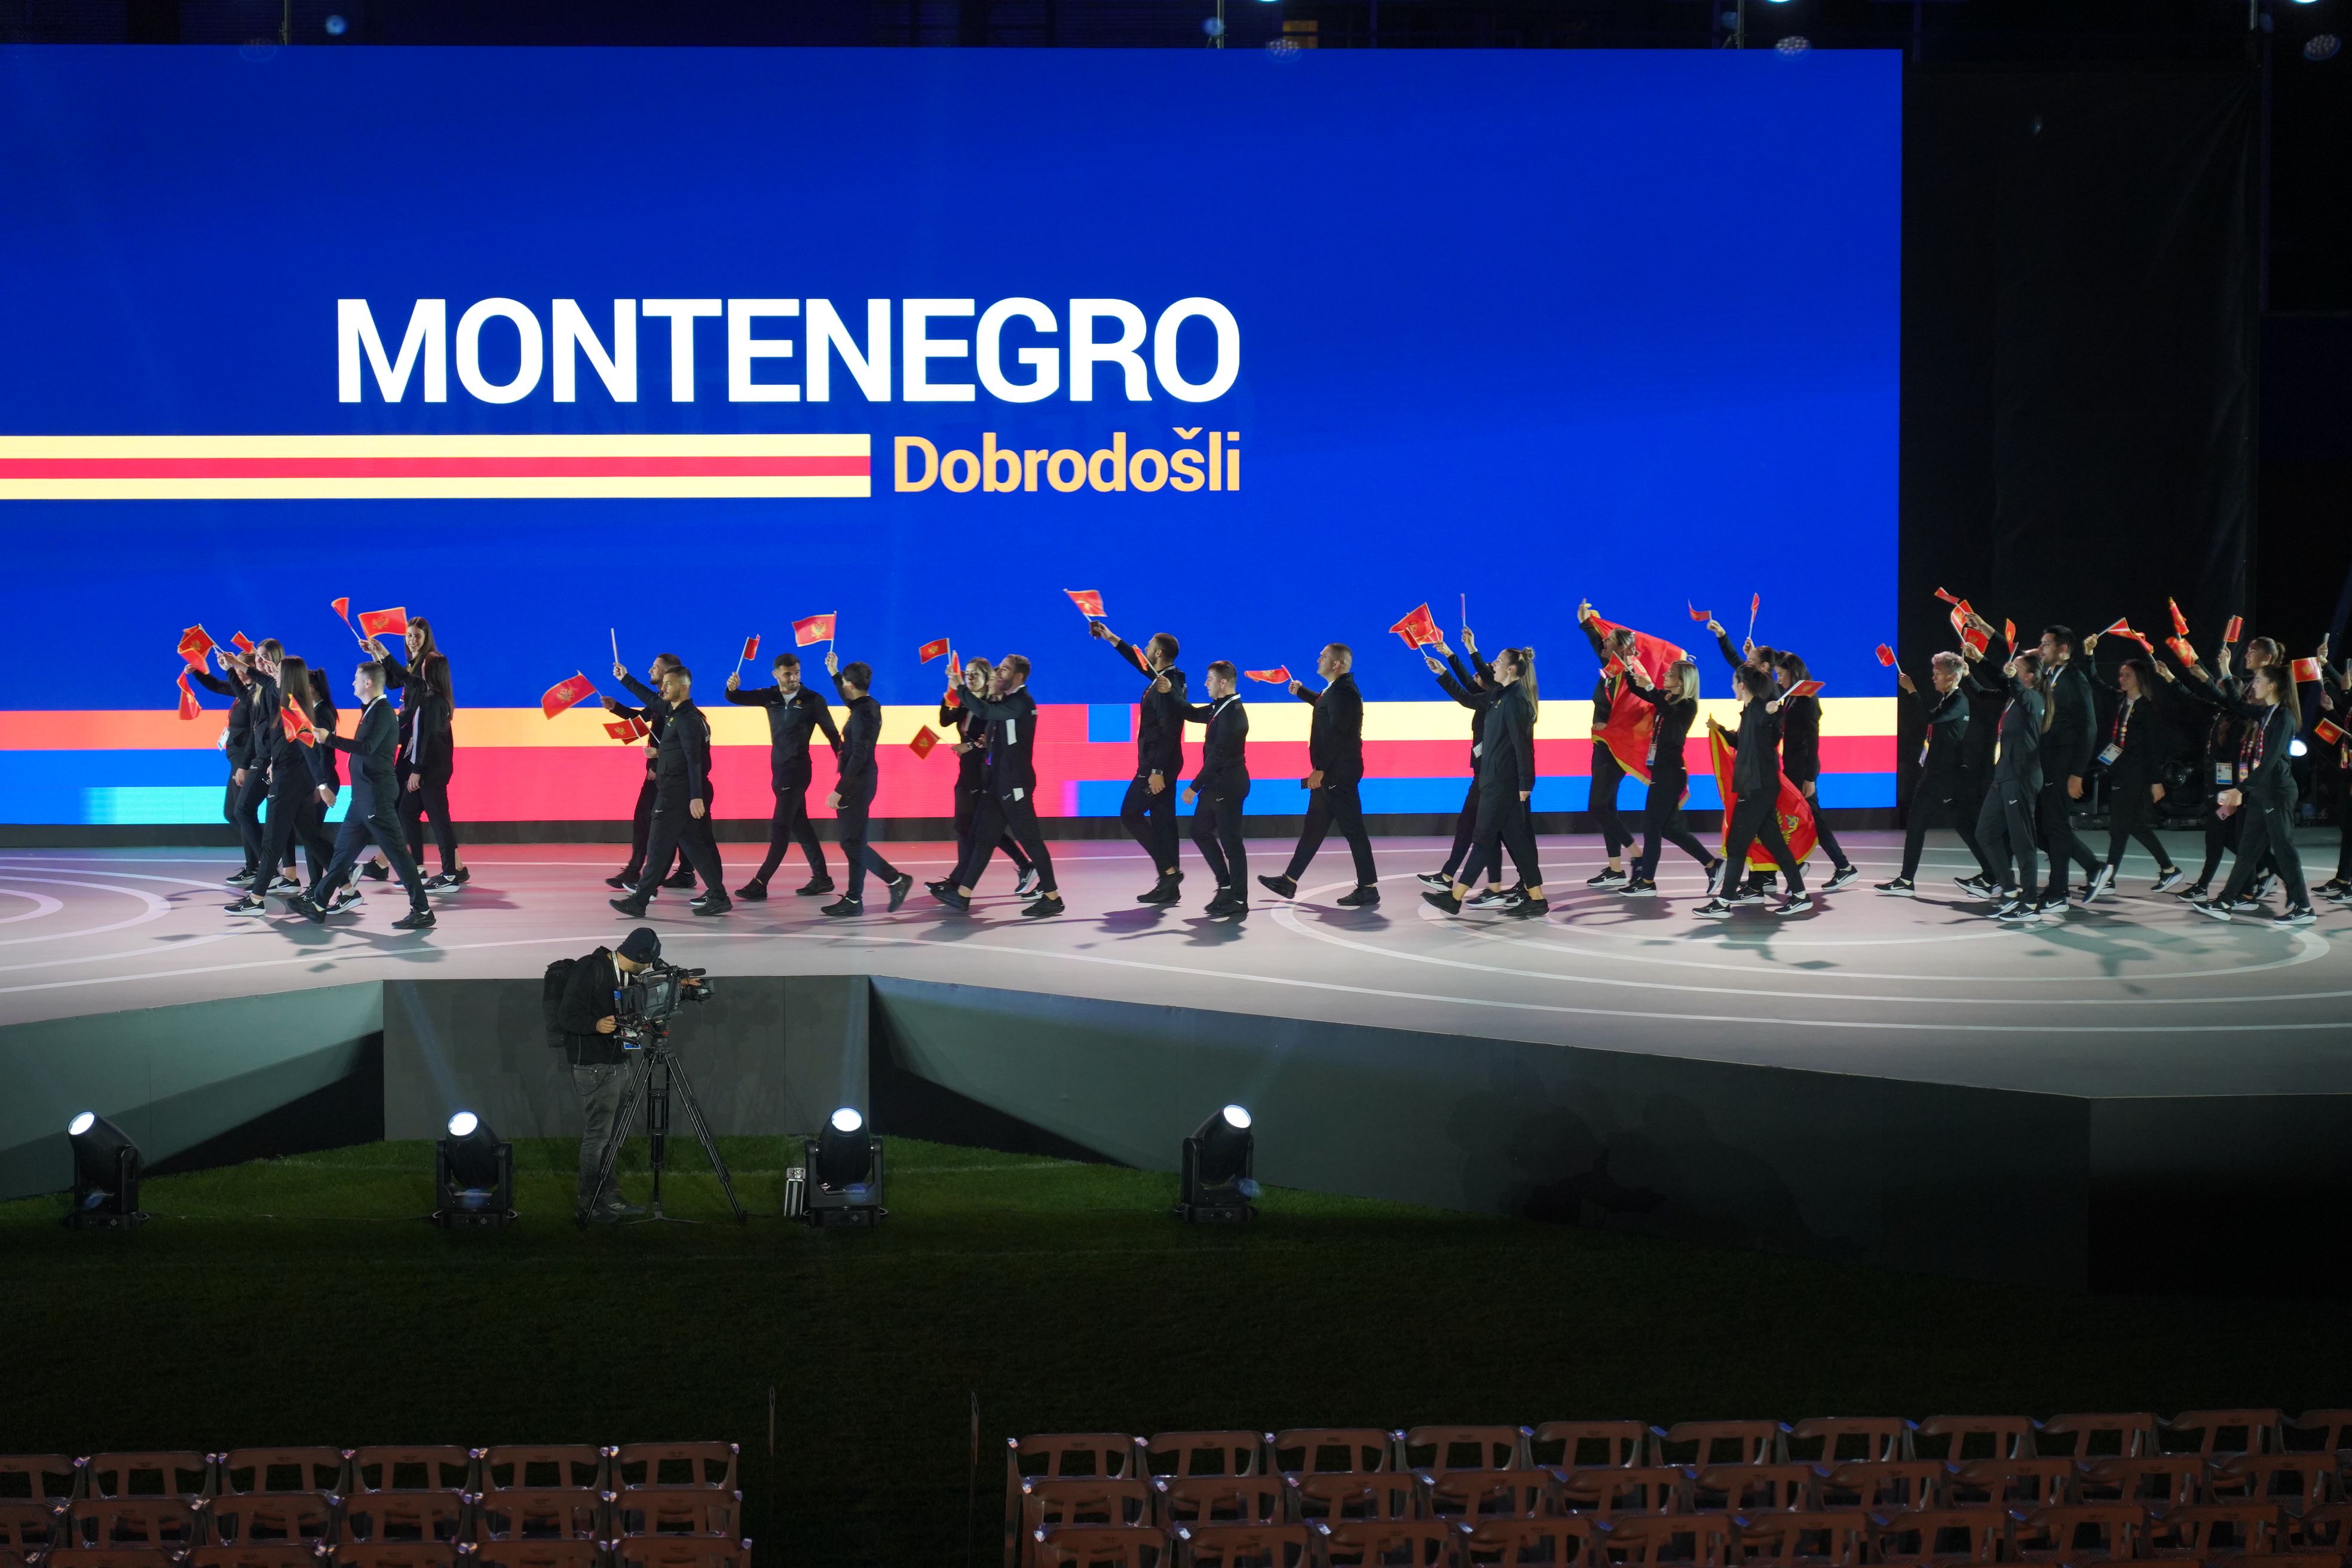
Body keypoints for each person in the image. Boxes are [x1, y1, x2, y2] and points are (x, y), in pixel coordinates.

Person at [549, 926, 703, 1224]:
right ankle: (588, 1203)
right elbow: (567, 1016)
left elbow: (647, 997)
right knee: (599, 1137)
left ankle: (610, 1196)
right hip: (595, 1065)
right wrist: (595, 1024)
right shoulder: (590, 969)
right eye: (648, 961)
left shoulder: (628, 974)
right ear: (640, 955)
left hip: (619, 1061)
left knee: (613, 1137)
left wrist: (680, 985)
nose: (649, 967)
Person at [286, 659, 436, 930]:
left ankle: (422, 910)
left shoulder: (381, 712)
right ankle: (319, 903)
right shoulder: (372, 710)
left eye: (356, 679)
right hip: (363, 796)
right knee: (342, 854)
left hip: (376, 795)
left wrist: (327, 737)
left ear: (368, 683)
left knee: (398, 855)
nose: (352, 683)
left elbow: (366, 747)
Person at [2186, 662, 2317, 925]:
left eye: (2257, 681)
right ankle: (2224, 902)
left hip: (2277, 792)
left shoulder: (2285, 717)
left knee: (2284, 849)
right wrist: (2224, 670)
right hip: (2261, 791)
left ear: (2272, 686)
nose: (2253, 685)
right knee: (2247, 851)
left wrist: (2240, 789)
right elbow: (2235, 704)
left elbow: (2270, 761)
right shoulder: (2266, 713)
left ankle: (2304, 908)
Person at [932, 654, 1062, 918]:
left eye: (1004, 670)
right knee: (982, 837)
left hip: (1015, 785)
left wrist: (959, 687)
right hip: (998, 783)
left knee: (1031, 840)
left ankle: (1053, 897)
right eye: (998, 669)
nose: (998, 673)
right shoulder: (1006, 703)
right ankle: (963, 895)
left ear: (1019, 678)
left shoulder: (1021, 703)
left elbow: (984, 711)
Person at [1424, 647, 1546, 918]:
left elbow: (1523, 745)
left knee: (1482, 839)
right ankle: (1537, 899)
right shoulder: (1498, 695)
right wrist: (1443, 672)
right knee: (1518, 842)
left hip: (1504, 783)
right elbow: (1467, 698)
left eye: (1499, 662)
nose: (1494, 666)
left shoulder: (1517, 700)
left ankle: (1454, 898)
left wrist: (1526, 782)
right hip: (1494, 780)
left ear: (1512, 669)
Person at [1260, 644, 1379, 908]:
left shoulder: (1344, 691)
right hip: (1333, 771)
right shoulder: (1337, 690)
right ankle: (1289, 881)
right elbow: (1326, 705)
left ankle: (1368, 888)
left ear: (1336, 664)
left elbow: (1338, 732)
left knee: (1354, 830)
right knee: (1314, 829)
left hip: (1338, 772)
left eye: (1323, 657)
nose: (1318, 659)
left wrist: (1320, 769)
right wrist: (1301, 692)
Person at [607, 664, 729, 918]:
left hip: (676, 792)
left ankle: (639, 901)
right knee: (694, 846)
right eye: (664, 684)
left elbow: (694, 759)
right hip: (675, 789)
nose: (663, 688)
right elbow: (649, 698)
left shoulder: (687, 719)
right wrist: (625, 678)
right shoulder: (673, 711)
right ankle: (719, 896)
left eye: (669, 684)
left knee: (658, 845)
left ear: (683, 688)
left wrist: (696, 796)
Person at [724, 650, 843, 901]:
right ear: (776, 675)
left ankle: (760, 882)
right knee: (801, 825)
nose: (793, 678)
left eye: (797, 673)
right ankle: (822, 878)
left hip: (798, 771)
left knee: (780, 827)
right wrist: (732, 689)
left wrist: (845, 769)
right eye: (787, 674)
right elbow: (735, 698)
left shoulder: (813, 700)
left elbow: (833, 736)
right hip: (778, 771)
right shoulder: (770, 696)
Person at [1693, 665, 1809, 918]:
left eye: (1735, 683)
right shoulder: (1750, 712)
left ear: (1743, 685)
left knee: (1736, 846)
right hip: (1758, 786)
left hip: (1757, 788)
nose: (1733, 687)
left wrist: (1774, 714)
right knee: (1775, 844)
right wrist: (1719, 729)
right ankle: (1800, 895)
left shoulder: (1761, 710)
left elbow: (1771, 729)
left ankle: (1723, 903)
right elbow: (1742, 742)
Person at [225, 654, 336, 914]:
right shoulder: (279, 693)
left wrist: (322, 785)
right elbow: (261, 677)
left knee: (273, 840)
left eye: (278, 671)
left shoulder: (291, 705)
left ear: (287, 677)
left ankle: (255, 900)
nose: (272, 672)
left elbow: (309, 749)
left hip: (289, 782)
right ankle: (348, 883)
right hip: (292, 779)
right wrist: (236, 664)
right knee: (310, 836)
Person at [1089, 620, 1189, 904]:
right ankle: (1169, 887)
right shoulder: (1165, 678)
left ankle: (1169, 873)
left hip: (1159, 764)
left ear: (1159, 653)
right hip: (1165, 762)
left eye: (1149, 647)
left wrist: (1156, 771)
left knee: (1130, 814)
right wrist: (1111, 638)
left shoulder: (1171, 683)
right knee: (1164, 821)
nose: (1145, 649)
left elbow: (1170, 729)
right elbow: (1139, 662)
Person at [2078, 639, 2185, 899]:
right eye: (2120, 675)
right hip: (2120, 771)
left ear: (2138, 678)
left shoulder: (2148, 709)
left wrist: (2156, 781)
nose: (2122, 679)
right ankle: (2168, 869)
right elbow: (2095, 682)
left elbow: (2153, 749)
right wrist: (2090, 654)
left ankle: (2107, 876)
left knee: (2119, 826)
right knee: (2134, 825)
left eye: (2127, 675)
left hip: (2135, 775)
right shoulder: (2119, 701)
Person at [369, 619, 468, 890]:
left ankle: (448, 874)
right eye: (409, 636)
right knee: (408, 812)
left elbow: (426, 739)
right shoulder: (430, 696)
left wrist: (416, 770)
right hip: (422, 763)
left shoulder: (433, 700)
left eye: (417, 636)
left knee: (439, 820)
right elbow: (401, 680)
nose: (413, 643)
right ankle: (436, 869)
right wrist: (380, 655)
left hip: (429, 767)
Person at [1876, 651, 1984, 895]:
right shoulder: (1949, 699)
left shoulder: (1958, 701)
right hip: (1941, 774)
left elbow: (1928, 718)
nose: (1933, 677)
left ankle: (1906, 881)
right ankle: (1992, 874)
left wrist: (1911, 690)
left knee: (1918, 824)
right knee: (1962, 825)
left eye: (1938, 673)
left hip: (1942, 776)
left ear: (1953, 676)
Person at [818, 653, 914, 918]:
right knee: (856, 841)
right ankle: (853, 899)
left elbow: (859, 754)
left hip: (857, 783)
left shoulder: (862, 712)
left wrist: (840, 789)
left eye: (844, 683)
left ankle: (896, 880)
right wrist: (835, 673)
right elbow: (850, 700)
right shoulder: (867, 707)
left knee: (850, 843)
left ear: (851, 684)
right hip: (862, 780)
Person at [1417, 633, 1511, 902]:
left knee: (1489, 832)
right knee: (1485, 831)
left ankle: (1452, 879)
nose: (1485, 670)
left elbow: (1466, 691)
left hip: (1491, 778)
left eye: (1495, 665)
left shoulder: (1494, 700)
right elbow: (1470, 686)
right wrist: (1449, 655)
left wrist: (1458, 657)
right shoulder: (1488, 700)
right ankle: (1487, 887)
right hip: (1484, 775)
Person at [1621, 656, 1720, 896]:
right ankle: (1713, 865)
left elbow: (1665, 708)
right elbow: (1638, 689)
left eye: (1670, 674)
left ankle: (1647, 883)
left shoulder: (1685, 706)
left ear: (1683, 681)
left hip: (1670, 773)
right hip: (1662, 771)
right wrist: (1626, 664)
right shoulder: (1667, 698)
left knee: (1652, 826)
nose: (1665, 676)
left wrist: (1650, 687)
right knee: (1669, 829)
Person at [1769, 650, 1860, 893]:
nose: (1778, 679)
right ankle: (1797, 867)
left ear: (1793, 672)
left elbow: (1813, 740)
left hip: (1802, 770)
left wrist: (1811, 777)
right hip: (1790, 766)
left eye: (1780, 674)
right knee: (1793, 818)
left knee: (1814, 820)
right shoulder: (1789, 696)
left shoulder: (1808, 700)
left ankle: (1843, 867)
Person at [1168, 660, 1251, 918]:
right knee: (1199, 831)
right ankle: (1225, 884)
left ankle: (1239, 899)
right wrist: (1171, 690)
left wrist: (1193, 788)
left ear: (1223, 683)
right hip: (1216, 785)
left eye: (1209, 680)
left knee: (1231, 843)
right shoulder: (1219, 707)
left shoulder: (1234, 715)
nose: (1206, 684)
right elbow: (1192, 714)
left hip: (1228, 785)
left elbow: (1217, 757)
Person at [1970, 650, 2047, 923]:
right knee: (1985, 833)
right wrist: (1977, 661)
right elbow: (1997, 684)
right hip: (2003, 776)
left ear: (2028, 676)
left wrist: (2013, 680)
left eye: (2016, 668)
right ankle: (2010, 889)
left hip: (2022, 778)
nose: (2010, 670)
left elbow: (2022, 694)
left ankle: (2029, 903)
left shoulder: (2034, 698)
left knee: (2022, 841)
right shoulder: (2012, 701)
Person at [2032, 624, 2103, 914]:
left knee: (2056, 827)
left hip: (2063, 767)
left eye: (2046, 644)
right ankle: (2093, 866)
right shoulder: (2048, 676)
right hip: (2046, 764)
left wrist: (2077, 772)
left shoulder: (2075, 680)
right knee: (2041, 827)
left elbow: (2089, 728)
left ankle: (2058, 891)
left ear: (2063, 649)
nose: (2041, 649)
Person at [599, 652, 684, 892]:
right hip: (658, 771)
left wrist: (657, 766)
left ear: (669, 673)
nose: (650, 670)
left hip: (664, 773)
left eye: (655, 667)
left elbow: (670, 742)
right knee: (651, 822)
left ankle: (647, 878)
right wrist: (616, 708)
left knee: (658, 826)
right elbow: (643, 718)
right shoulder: (661, 698)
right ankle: (639, 871)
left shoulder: (671, 703)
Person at [1575, 602, 1637, 886]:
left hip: (1616, 750)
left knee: (1598, 806)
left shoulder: (1629, 676)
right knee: (1608, 806)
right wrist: (1588, 623)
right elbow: (1597, 644)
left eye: (1609, 640)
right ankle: (1615, 869)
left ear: (1622, 649)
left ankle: (1637, 854)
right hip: (1602, 746)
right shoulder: (1612, 672)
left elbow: (1633, 714)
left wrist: (1610, 727)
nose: (1604, 643)